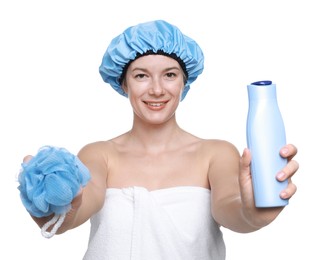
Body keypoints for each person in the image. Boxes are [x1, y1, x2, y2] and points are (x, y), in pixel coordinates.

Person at [21, 20, 299, 259]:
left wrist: (254, 212)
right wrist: (55, 205)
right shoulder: (100, 155)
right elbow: (78, 209)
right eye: (141, 76)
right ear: (123, 83)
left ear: (184, 83)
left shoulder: (215, 154)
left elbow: (231, 209)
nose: (156, 89)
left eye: (169, 75)